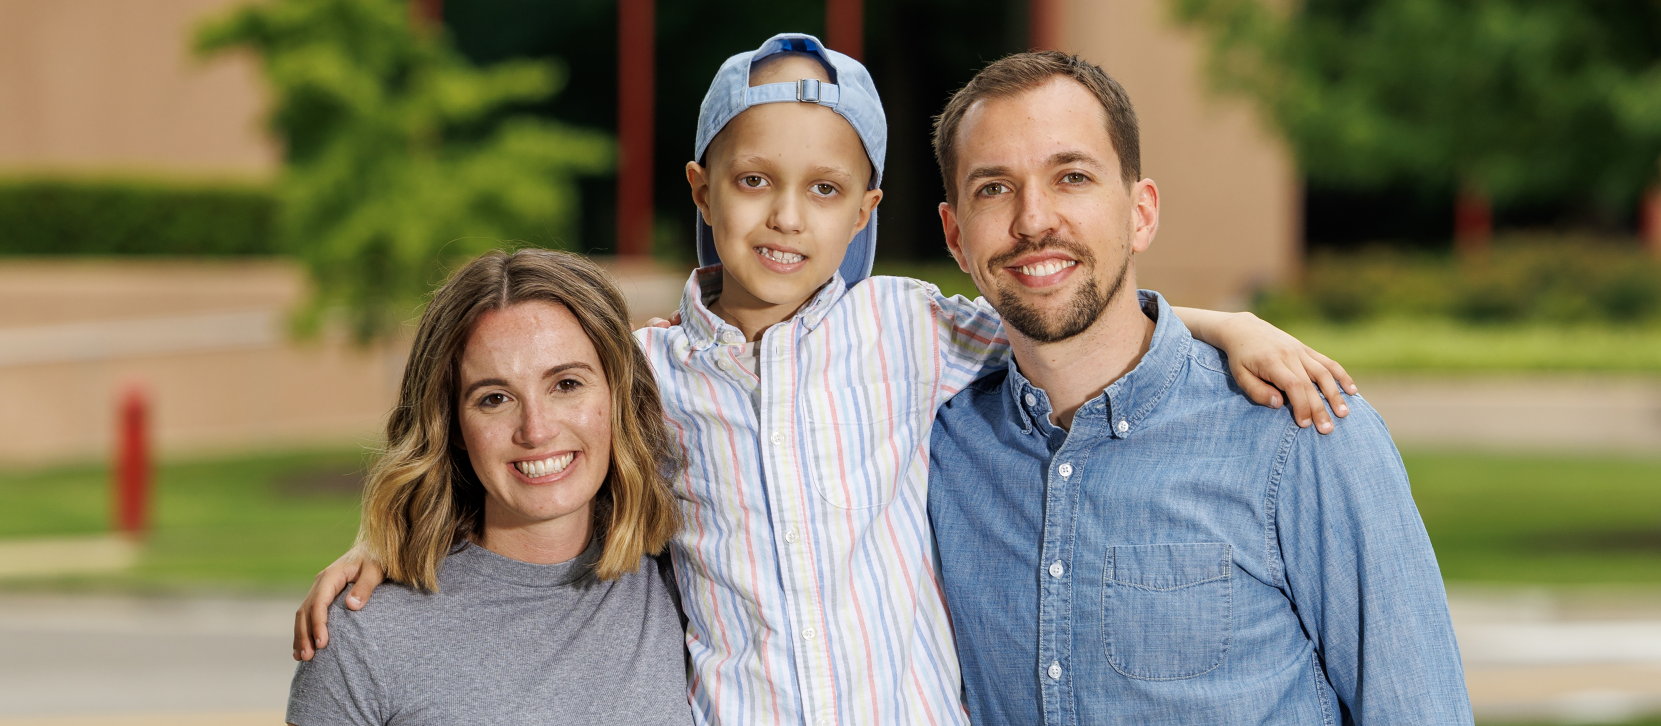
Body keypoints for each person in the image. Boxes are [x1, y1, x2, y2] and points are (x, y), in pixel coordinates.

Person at [294, 34, 1356, 725]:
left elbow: (1071, 326)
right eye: (754, 182)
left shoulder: (910, 329)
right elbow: (532, 446)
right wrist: (379, 544)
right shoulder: (646, 373)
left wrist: (1219, 326)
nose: (786, 217)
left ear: (865, 210)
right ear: (702, 191)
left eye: (823, 189)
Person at [926, 51, 1473, 724]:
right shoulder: (930, 443)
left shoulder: (1300, 432)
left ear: (1140, 213)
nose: (1033, 219)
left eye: (1070, 176)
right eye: (993, 188)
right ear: (955, 235)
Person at [284, 249, 689, 725]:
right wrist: (386, 538)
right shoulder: (364, 635)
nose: (535, 430)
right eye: (494, 398)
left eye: (566, 384)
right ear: (451, 423)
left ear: (619, 392)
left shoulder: (687, 579)